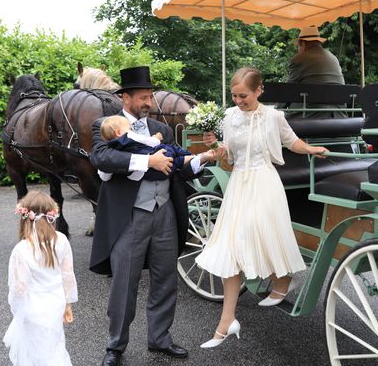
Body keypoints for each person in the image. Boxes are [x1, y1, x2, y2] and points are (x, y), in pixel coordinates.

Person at [89, 66, 218, 366]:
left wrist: (205, 157)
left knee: (165, 279)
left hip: (165, 213)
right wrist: (148, 160)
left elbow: (177, 163)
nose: (149, 102)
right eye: (144, 97)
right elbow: (102, 157)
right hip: (130, 216)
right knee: (125, 283)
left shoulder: (162, 127)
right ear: (127, 97)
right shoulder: (105, 125)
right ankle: (115, 346)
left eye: (150, 96)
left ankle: (160, 338)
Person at [196, 67, 328, 348]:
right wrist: (217, 147)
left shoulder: (274, 117)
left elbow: (292, 142)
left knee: (252, 231)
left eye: (243, 95)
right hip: (239, 185)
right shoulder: (229, 117)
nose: (238, 101)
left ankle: (283, 278)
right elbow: (229, 159)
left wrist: (313, 149)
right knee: (229, 248)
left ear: (259, 91)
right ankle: (227, 321)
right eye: (234, 96)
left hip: (265, 183)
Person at [3, 190, 78, 366]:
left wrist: (17, 311)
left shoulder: (22, 250)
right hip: (55, 303)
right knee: (54, 346)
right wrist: (67, 304)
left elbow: (18, 289)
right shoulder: (61, 240)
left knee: (35, 352)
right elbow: (67, 275)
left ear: (25, 217)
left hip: (33, 308)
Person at [99, 115, 193, 181]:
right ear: (119, 132)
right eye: (129, 128)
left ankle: (190, 159)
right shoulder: (129, 135)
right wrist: (156, 139)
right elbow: (146, 140)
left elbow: (104, 176)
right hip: (157, 162)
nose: (131, 130)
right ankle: (190, 156)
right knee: (169, 149)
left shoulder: (110, 146)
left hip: (141, 175)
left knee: (175, 161)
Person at [284, 25, 347, 118]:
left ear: (303, 44)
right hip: (339, 115)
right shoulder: (333, 57)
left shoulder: (299, 59)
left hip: (310, 116)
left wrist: (277, 108)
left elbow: (288, 92)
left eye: (298, 46)